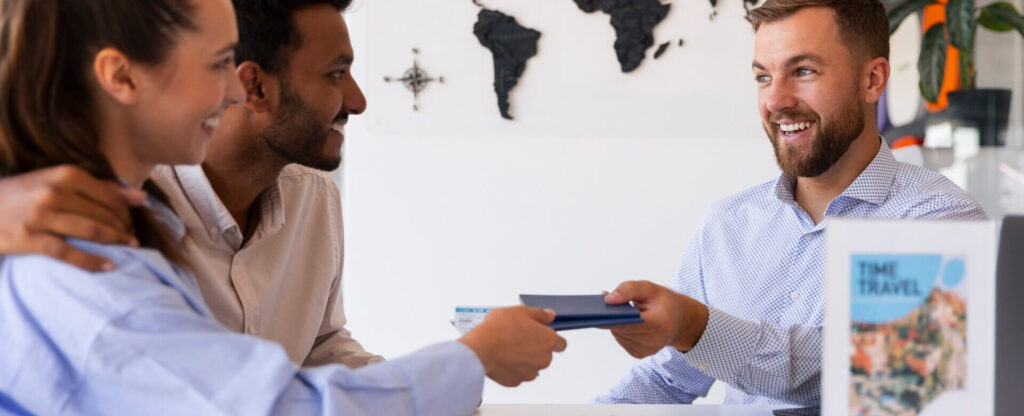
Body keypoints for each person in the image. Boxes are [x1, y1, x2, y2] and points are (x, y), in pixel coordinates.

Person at [0, 0, 565, 415]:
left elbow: (313, 355)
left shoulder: (309, 199)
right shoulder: (80, 252)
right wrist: (471, 360)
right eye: (218, 63)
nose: (231, 92)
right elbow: (275, 407)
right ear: (121, 76)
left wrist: (448, 382)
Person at [595, 0, 986, 406]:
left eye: (804, 71)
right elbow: (668, 380)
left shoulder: (939, 220)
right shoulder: (728, 224)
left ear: (872, 80)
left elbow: (866, 372)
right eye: (763, 77)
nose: (775, 100)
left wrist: (695, 326)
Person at [2, 0, 379, 368]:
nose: (359, 101)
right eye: (336, 74)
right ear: (255, 86)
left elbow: (319, 345)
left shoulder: (314, 196)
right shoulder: (97, 216)